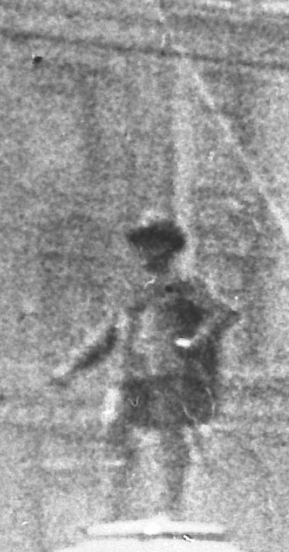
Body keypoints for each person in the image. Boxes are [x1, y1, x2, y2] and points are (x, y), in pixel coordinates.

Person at [50, 212, 239, 522]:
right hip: (129, 374)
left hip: (167, 372)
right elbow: (107, 335)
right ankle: (112, 511)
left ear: (167, 247)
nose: (143, 251)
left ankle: (169, 509)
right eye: (140, 244)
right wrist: (71, 367)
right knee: (114, 430)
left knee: (169, 436)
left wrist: (194, 342)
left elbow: (222, 313)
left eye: (151, 243)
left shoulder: (183, 284)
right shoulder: (131, 291)